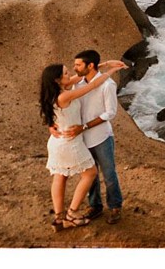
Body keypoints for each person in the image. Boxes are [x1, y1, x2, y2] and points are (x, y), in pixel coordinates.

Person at [38, 60, 123, 231]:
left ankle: (59, 218)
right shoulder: (64, 96)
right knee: (90, 173)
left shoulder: (52, 94)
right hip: (70, 142)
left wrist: (100, 65)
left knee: (60, 177)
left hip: (57, 141)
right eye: (66, 73)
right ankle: (72, 213)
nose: (70, 74)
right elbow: (92, 85)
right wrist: (111, 71)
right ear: (57, 80)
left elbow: (80, 77)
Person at [73, 49, 126, 224]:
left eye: (78, 65)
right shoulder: (78, 84)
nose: (75, 68)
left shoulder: (107, 85)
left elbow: (110, 113)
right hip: (83, 138)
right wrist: (105, 65)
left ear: (90, 66)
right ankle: (95, 206)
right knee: (90, 175)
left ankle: (115, 206)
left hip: (101, 136)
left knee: (109, 174)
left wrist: (85, 126)